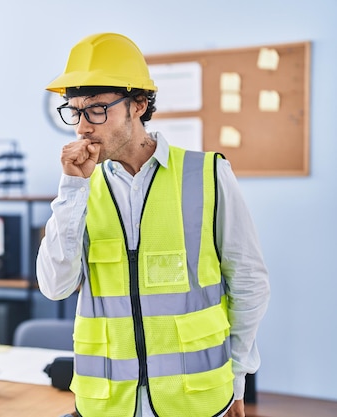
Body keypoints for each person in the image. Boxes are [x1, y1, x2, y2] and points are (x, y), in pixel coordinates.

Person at [36, 33, 270, 417]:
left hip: (194, 399)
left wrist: (238, 377)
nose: (81, 127)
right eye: (74, 111)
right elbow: (55, 287)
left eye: (96, 109)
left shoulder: (208, 174)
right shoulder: (78, 188)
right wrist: (72, 189)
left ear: (139, 105)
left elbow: (249, 283)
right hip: (106, 403)